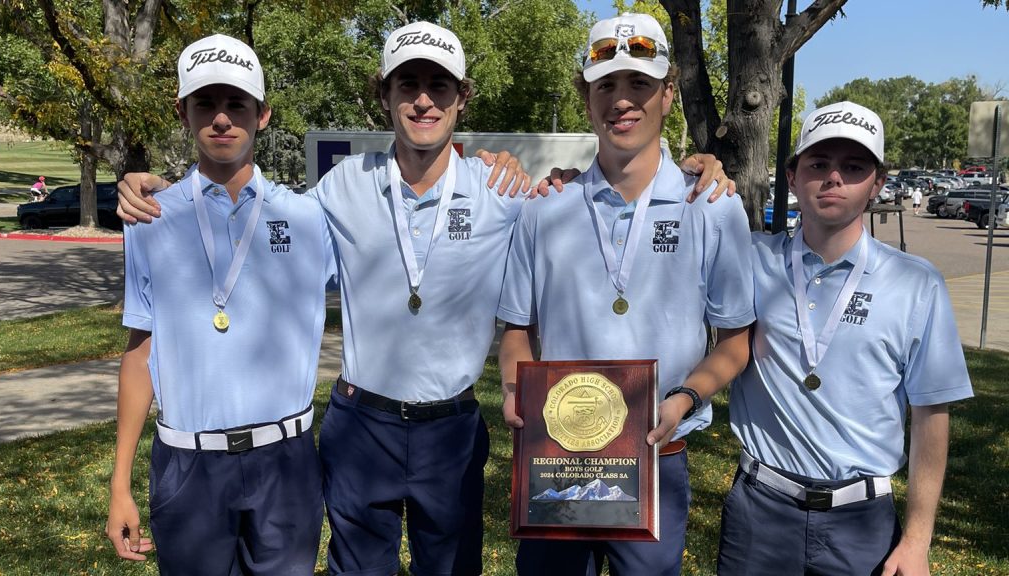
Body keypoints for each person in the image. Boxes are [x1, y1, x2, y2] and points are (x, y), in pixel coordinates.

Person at [115, 21, 732, 576]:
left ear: (462, 98)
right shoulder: (340, 187)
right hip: (361, 426)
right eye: (407, 85)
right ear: (384, 96)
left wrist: (677, 168)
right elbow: (252, 216)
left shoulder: (503, 192)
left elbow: (570, 200)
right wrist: (162, 192)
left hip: (452, 431)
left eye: (439, 86)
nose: (423, 100)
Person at [497, 13, 754, 576]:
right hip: (557, 458)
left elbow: (736, 341)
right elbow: (517, 332)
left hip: (658, 456)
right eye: (605, 85)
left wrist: (684, 398)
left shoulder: (712, 207)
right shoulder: (544, 210)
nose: (621, 100)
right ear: (586, 99)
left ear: (668, 94)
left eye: (639, 83)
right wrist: (515, 389)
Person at [105, 34, 335, 575]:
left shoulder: (308, 218)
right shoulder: (150, 217)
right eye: (206, 103)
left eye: (238, 104)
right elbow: (141, 350)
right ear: (183, 113)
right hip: (188, 464)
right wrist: (120, 483)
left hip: (286, 461)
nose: (223, 118)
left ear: (263, 114)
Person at [714, 101, 974, 575]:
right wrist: (695, 170)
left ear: (877, 184)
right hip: (761, 513)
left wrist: (918, 540)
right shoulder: (750, 260)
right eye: (818, 164)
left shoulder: (916, 283)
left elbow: (931, 415)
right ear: (791, 176)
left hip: (862, 523)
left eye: (854, 167)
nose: (833, 177)